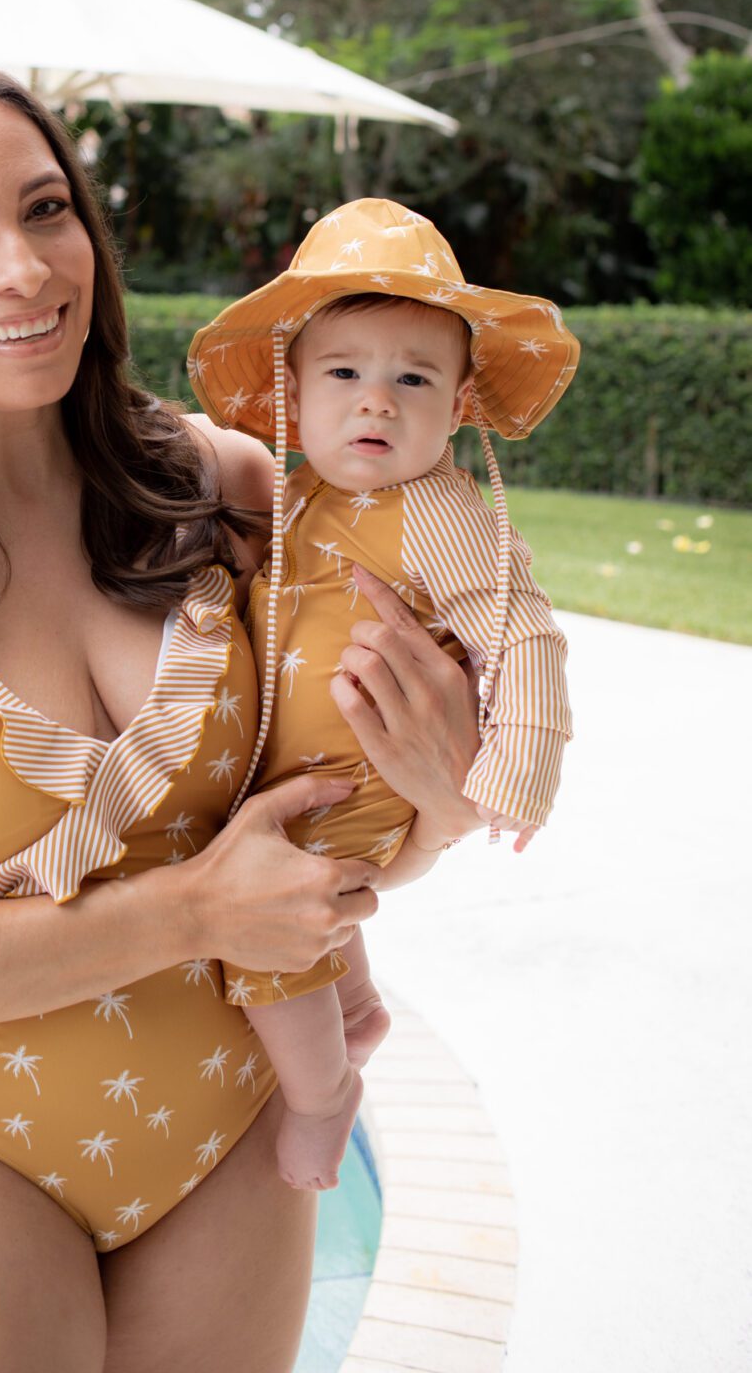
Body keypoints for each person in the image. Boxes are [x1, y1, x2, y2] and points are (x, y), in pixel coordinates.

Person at [0, 67, 486, 1373]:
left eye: (48, 208)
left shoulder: (224, 491)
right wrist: (189, 914)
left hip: (234, 1128)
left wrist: (442, 810)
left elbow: (339, 827)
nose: (22, 267)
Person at [188, 196, 578, 1191]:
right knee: (307, 901)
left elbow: (520, 626)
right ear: (295, 394)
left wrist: (516, 764)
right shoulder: (309, 491)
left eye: (412, 378)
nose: (376, 402)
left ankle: (324, 1098)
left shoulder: (434, 507)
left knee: (270, 938)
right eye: (345, 374)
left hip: (356, 779)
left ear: (456, 408)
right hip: (312, 773)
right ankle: (354, 1005)